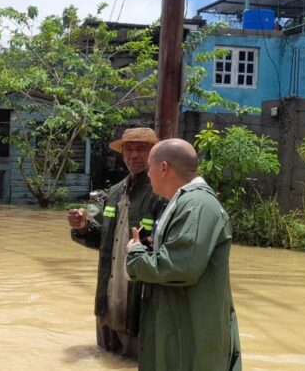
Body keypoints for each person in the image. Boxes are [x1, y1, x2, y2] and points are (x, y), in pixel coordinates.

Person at [126, 139, 242, 371]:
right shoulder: (184, 202)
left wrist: (136, 253)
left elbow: (180, 266)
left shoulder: (196, 205)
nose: (147, 174)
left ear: (163, 168)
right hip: (180, 329)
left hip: (191, 338)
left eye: (149, 167)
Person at [68, 127, 165, 358]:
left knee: (134, 359)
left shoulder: (160, 194)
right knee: (105, 356)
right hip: (109, 292)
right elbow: (102, 238)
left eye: (141, 150)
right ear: (122, 156)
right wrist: (82, 226)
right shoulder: (114, 192)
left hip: (137, 296)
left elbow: (167, 249)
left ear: (153, 154)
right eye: (128, 150)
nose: (133, 155)